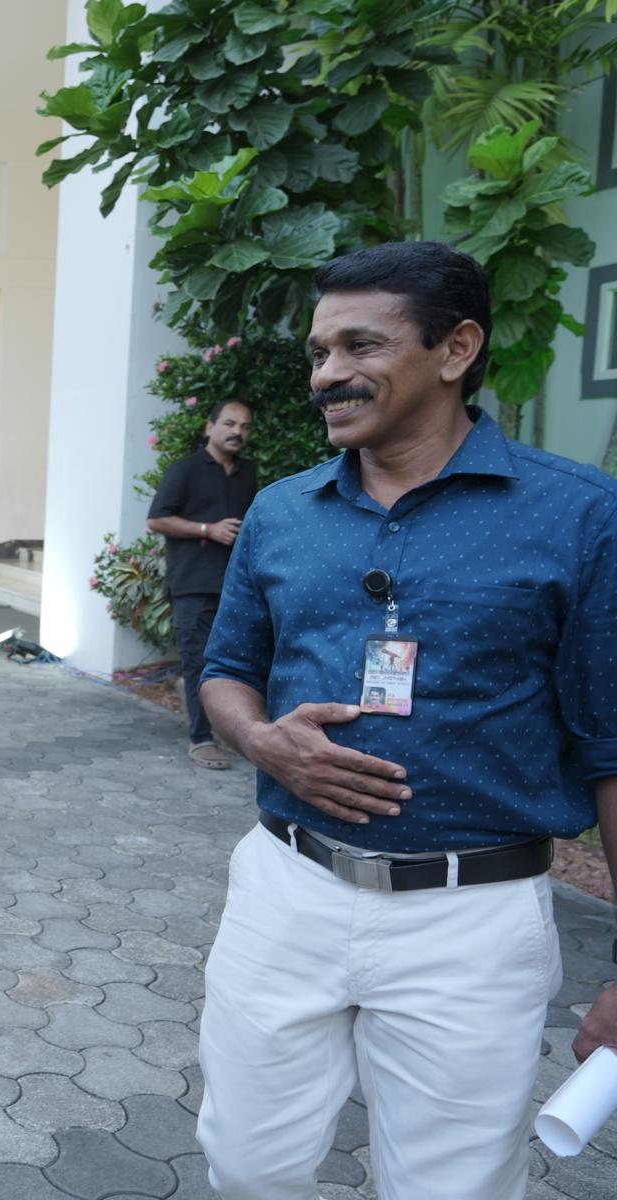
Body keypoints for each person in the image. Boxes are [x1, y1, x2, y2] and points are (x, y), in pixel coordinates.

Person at [195, 241, 617, 1200]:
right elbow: (225, 674)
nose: (327, 373)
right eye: (319, 352)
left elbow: (612, 748)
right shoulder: (283, 513)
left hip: (473, 919)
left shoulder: (582, 518)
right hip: (286, 890)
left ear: (456, 348)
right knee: (247, 1166)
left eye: (361, 345)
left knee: (449, 1188)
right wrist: (261, 741)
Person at [145, 399, 257, 769]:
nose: (237, 431)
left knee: (236, 661)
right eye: (229, 423)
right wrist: (208, 529)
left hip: (237, 586)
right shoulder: (185, 470)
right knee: (198, 661)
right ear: (210, 427)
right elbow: (157, 520)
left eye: (244, 426)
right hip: (193, 584)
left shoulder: (247, 473)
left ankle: (232, 731)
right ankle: (201, 738)